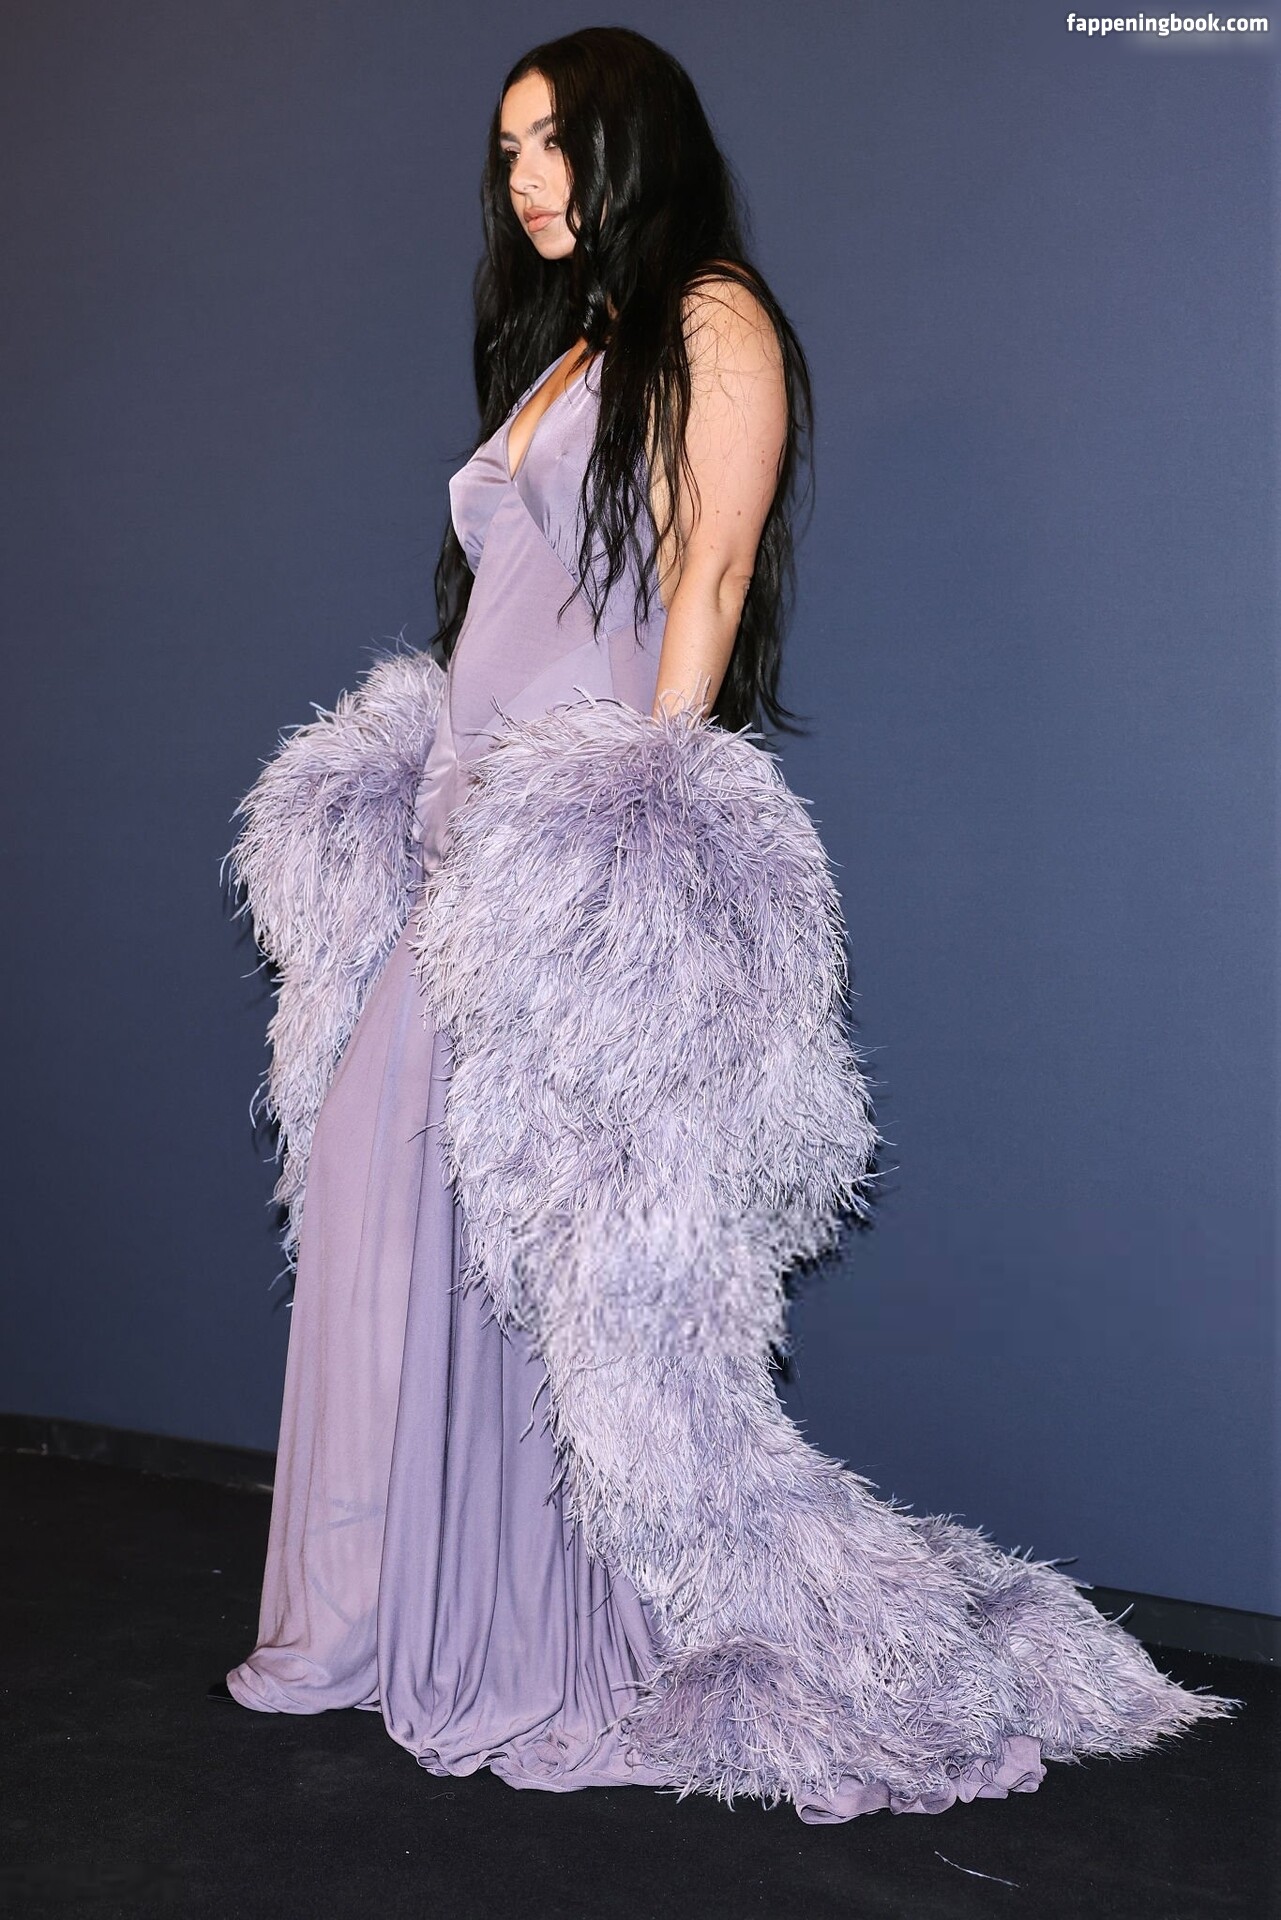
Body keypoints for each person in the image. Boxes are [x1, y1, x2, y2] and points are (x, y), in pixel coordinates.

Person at [221, 27, 1237, 1824]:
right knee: (394, 1223)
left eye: (555, 142)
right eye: (506, 150)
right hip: (456, 854)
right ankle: (380, 1617)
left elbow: (703, 573)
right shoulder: (581, 340)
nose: (525, 179)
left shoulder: (713, 319)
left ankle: (533, 1632)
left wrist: (631, 824)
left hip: (555, 879)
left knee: (540, 1259)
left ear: (636, 144)